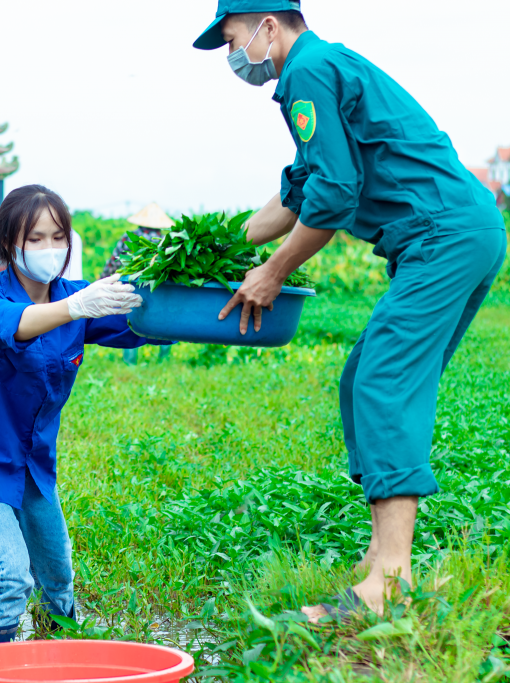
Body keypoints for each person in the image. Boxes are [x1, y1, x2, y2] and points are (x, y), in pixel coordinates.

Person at [194, 1, 507, 622]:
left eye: (233, 40)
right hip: (455, 231)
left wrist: (273, 273)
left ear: (268, 26)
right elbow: (294, 199)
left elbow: (334, 200)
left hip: (442, 235)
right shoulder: (320, 71)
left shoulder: (309, 71)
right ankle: (382, 563)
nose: (235, 58)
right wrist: (206, 250)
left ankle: (390, 580)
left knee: (385, 381)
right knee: (361, 378)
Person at [0, 185, 173, 646]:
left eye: (59, 237)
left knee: (58, 578)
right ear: (9, 244)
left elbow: (147, 322)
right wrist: (72, 309)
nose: (51, 249)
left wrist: (214, 307)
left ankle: (55, 657)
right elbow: (13, 324)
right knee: (9, 575)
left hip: (34, 465)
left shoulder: (79, 295)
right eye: (36, 239)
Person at [100, 202, 175, 364]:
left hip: (133, 286)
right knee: (163, 320)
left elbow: (115, 260)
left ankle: (130, 361)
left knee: (131, 319)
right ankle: (164, 360)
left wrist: (104, 279)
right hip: (159, 288)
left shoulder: (129, 237)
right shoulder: (166, 240)